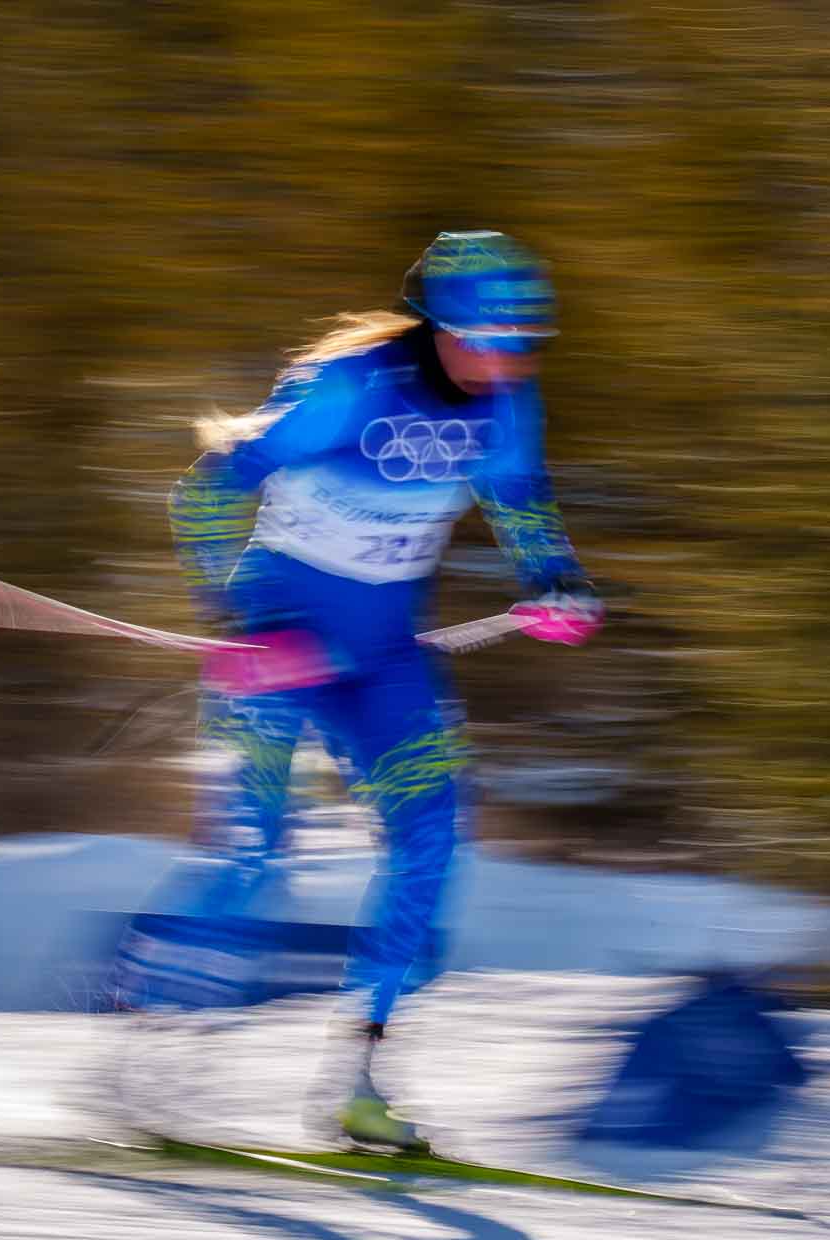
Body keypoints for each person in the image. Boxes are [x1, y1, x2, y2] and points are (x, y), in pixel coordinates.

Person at [164, 230, 601, 1149]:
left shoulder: (508, 406)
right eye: (493, 336)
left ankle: (358, 1082)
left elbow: (521, 498)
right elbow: (203, 493)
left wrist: (555, 578)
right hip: (277, 644)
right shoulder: (352, 387)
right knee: (256, 855)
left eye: (526, 341)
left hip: (383, 660)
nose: (509, 358)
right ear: (441, 327)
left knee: (433, 838)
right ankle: (155, 1052)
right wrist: (234, 628)